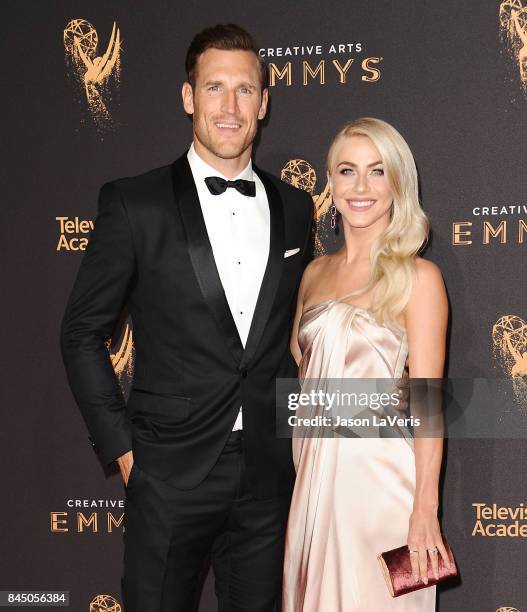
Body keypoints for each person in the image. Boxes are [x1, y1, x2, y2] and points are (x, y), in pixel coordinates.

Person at [60, 24, 313, 612]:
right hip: (168, 472)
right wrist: (122, 449)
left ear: (265, 102)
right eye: (215, 87)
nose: (230, 107)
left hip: (268, 478)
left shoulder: (296, 208)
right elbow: (80, 332)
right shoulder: (134, 203)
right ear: (187, 96)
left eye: (245, 90)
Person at [282, 117, 449, 611]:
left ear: (397, 183)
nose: (361, 187)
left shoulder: (419, 278)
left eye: (377, 172)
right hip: (312, 484)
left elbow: (429, 404)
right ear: (329, 183)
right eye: (347, 171)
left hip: (381, 488)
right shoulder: (313, 272)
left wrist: (425, 508)